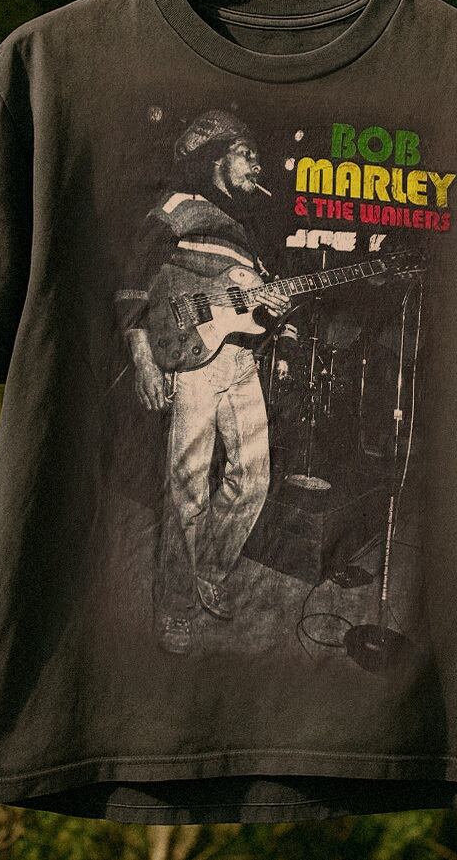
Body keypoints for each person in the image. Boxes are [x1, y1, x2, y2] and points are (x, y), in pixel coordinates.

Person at [113, 109, 291, 655]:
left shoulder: (248, 236)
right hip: (193, 362)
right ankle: (175, 605)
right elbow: (133, 280)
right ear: (216, 157)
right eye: (247, 154)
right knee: (188, 489)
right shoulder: (178, 208)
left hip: (241, 361)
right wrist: (143, 357)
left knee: (253, 480)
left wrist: (275, 313)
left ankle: (208, 571)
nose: (257, 165)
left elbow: (246, 309)